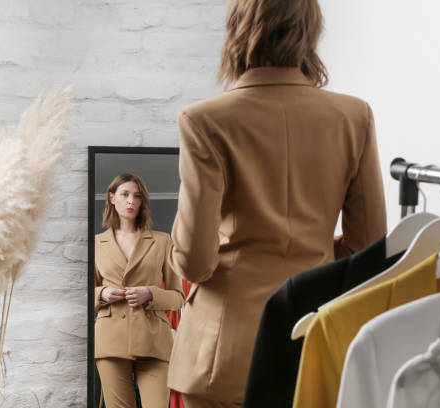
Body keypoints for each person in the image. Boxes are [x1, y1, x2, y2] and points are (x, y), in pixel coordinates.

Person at [166, 0, 387, 406]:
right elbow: (368, 249)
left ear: (239, 30)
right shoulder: (354, 116)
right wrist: (315, 250)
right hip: (314, 341)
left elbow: (196, 262)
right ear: (309, 31)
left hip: (223, 355)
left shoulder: (205, 120)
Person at [94, 173, 184, 408]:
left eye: (137, 196)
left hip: (153, 340)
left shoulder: (163, 241)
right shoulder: (96, 244)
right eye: (124, 195)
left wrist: (151, 293)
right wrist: (102, 294)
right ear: (112, 198)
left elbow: (178, 298)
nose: (131, 200)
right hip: (111, 339)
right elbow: (84, 293)